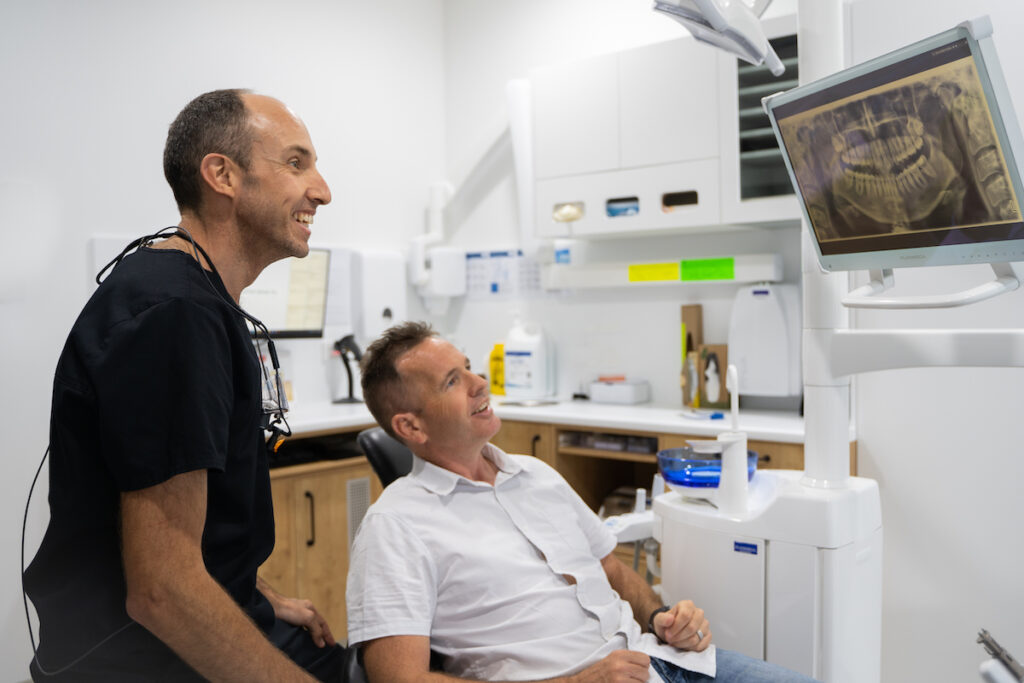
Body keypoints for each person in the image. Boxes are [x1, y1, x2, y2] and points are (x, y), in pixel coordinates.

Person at [24, 89, 343, 682]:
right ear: (222, 174)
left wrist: (257, 593)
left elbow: (189, 526)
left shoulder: (187, 296)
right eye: (296, 163)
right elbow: (163, 593)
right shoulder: (175, 315)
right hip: (135, 662)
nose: (322, 190)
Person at [347, 321, 819, 683]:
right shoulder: (396, 525)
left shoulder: (534, 474)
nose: (479, 383)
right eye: (452, 381)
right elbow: (399, 679)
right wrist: (576, 681)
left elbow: (611, 570)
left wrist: (660, 617)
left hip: (660, 661)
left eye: (469, 366)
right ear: (411, 427)